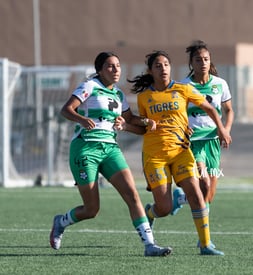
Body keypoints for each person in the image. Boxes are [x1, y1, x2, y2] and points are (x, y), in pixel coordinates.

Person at [49, 51, 172, 257]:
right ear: (100, 70)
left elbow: (130, 120)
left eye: (118, 66)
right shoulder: (89, 86)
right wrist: (80, 119)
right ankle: (61, 222)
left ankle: (150, 245)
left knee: (132, 195)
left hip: (110, 150)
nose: (116, 70)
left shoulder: (119, 94)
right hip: (85, 148)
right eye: (110, 66)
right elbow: (66, 109)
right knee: (91, 210)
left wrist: (145, 122)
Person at [127, 50, 231, 256]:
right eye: (158, 65)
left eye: (166, 64)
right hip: (155, 156)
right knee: (164, 208)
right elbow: (140, 127)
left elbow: (209, 108)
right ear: (150, 70)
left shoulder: (182, 89)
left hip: (182, 152)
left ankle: (205, 244)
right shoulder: (145, 96)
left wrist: (221, 128)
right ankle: (150, 212)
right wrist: (135, 124)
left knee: (197, 193)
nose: (163, 68)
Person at [170, 41, 234, 245]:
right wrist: (182, 129)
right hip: (193, 143)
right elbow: (177, 112)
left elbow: (229, 111)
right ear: (191, 63)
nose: (203, 63)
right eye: (198, 60)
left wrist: (225, 130)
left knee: (209, 195)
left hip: (213, 142)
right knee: (204, 182)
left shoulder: (220, 84)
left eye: (206, 59)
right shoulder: (184, 86)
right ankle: (204, 239)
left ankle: (180, 199)